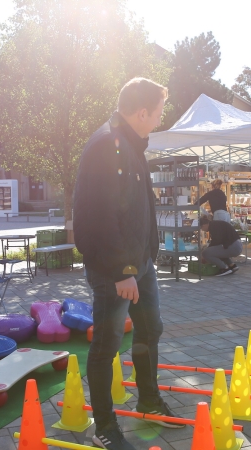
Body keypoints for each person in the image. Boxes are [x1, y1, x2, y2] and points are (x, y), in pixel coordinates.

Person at [73, 78, 182, 450]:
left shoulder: (131, 145)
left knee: (151, 329)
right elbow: (100, 216)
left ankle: (149, 401)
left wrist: (144, 258)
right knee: (106, 347)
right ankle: (104, 426)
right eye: (157, 113)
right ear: (141, 113)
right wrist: (123, 271)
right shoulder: (107, 145)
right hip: (116, 269)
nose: (158, 120)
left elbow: (134, 209)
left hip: (140, 264)